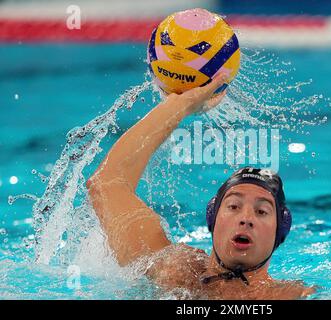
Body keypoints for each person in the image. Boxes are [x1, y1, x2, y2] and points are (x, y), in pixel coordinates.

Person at [86, 74, 315, 299]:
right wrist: (180, 105)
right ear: (213, 217)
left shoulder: (292, 296)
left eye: (261, 211)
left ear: (280, 229)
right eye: (234, 206)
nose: (246, 218)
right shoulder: (175, 271)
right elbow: (106, 184)